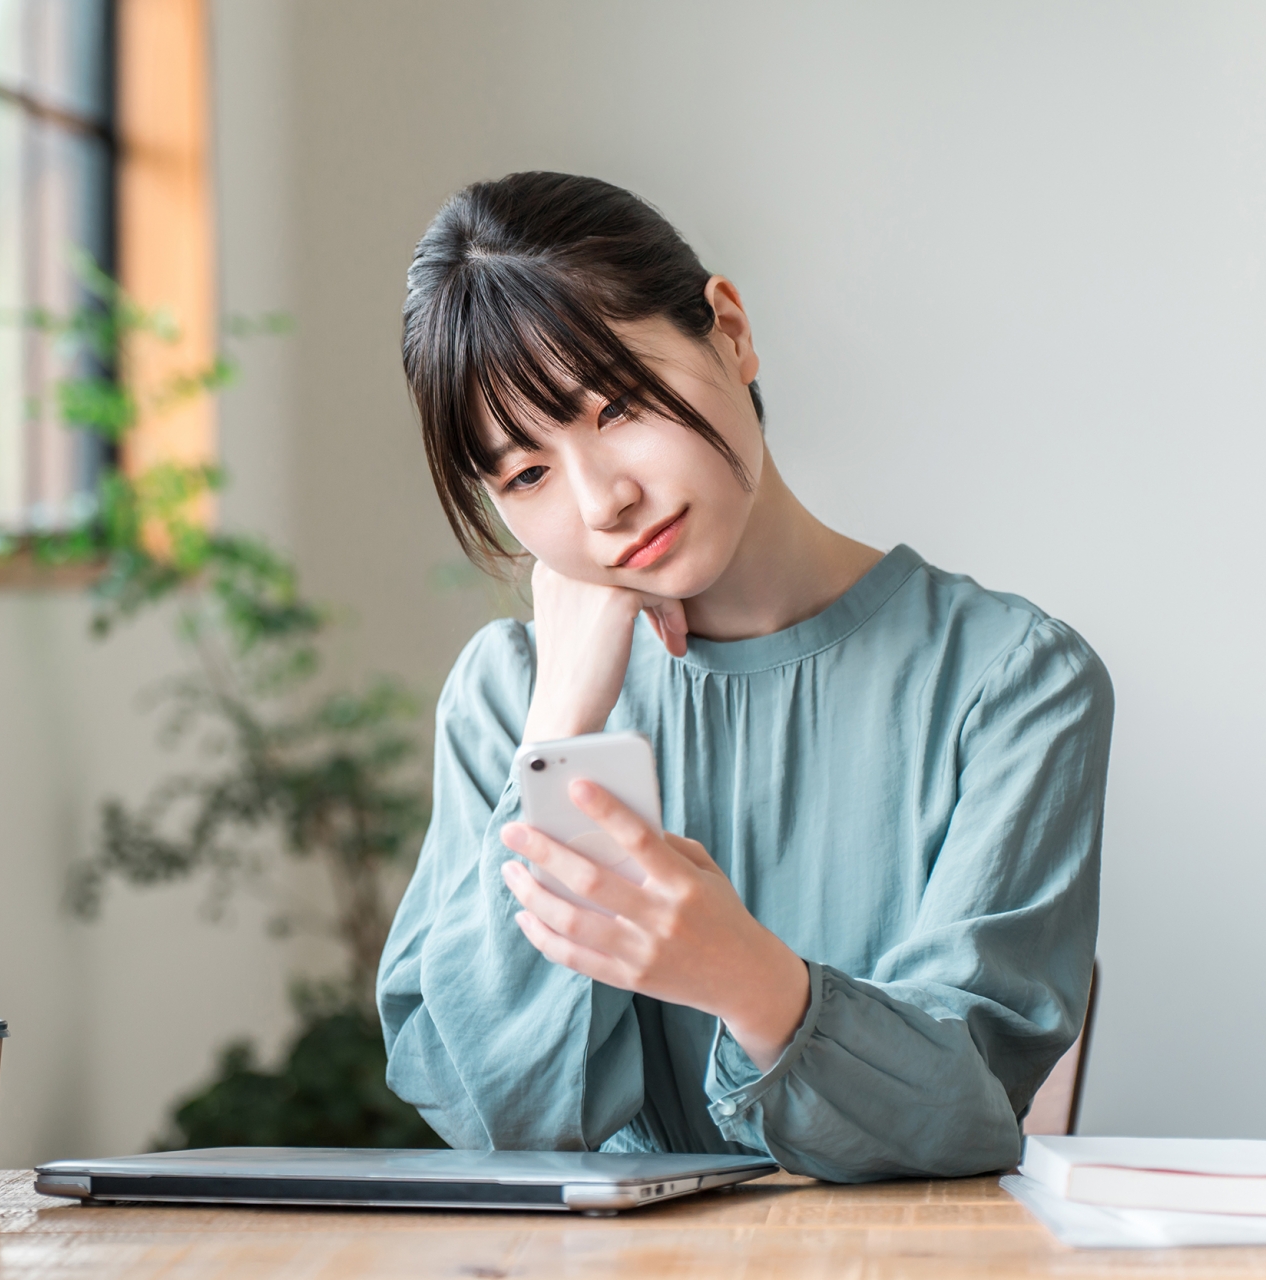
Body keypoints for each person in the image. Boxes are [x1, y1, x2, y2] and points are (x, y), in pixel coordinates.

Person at [378, 171, 1113, 1182]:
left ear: (728, 330)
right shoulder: (509, 692)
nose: (605, 501)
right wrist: (563, 721)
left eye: (620, 403)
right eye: (527, 472)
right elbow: (489, 1113)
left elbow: (962, 1110)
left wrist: (748, 976)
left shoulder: (1011, 681)